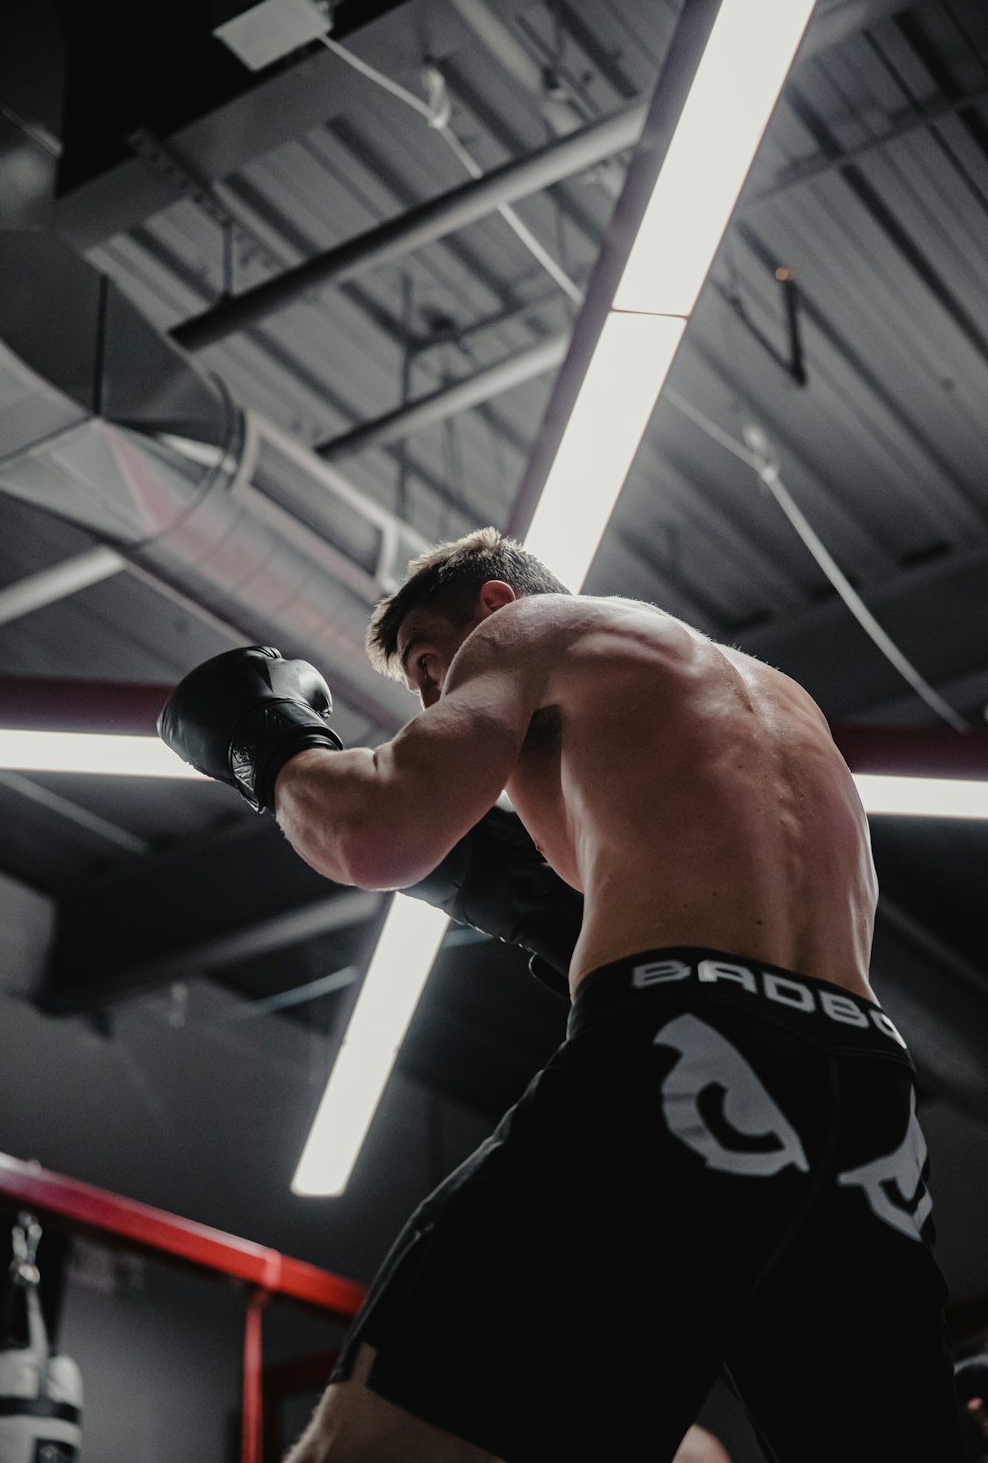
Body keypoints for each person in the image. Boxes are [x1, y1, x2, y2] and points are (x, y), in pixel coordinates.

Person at [159, 527, 965, 1462]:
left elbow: (377, 828)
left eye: (429, 664)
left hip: (687, 1047)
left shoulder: (535, 627)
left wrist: (270, 743)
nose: (430, 700)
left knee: (376, 1446)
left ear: (496, 606)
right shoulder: (775, 702)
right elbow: (707, 922)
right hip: (869, 1098)